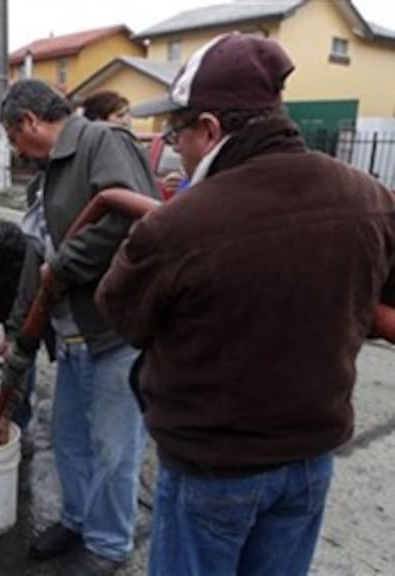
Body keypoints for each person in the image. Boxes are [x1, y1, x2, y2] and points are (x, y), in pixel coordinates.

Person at [95, 32, 395, 576]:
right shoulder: (372, 198)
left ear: (209, 129)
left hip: (213, 467)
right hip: (310, 460)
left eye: (177, 131)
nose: (174, 147)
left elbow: (121, 314)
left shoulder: (177, 225)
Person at [0, 79, 159, 576]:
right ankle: (77, 520)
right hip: (70, 337)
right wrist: (17, 328)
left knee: (115, 448)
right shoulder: (44, 179)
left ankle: (108, 547)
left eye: (12, 137)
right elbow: (35, 260)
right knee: (69, 439)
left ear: (29, 122)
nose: (17, 150)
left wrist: (67, 266)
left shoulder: (102, 143)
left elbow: (132, 218)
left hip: (114, 332)